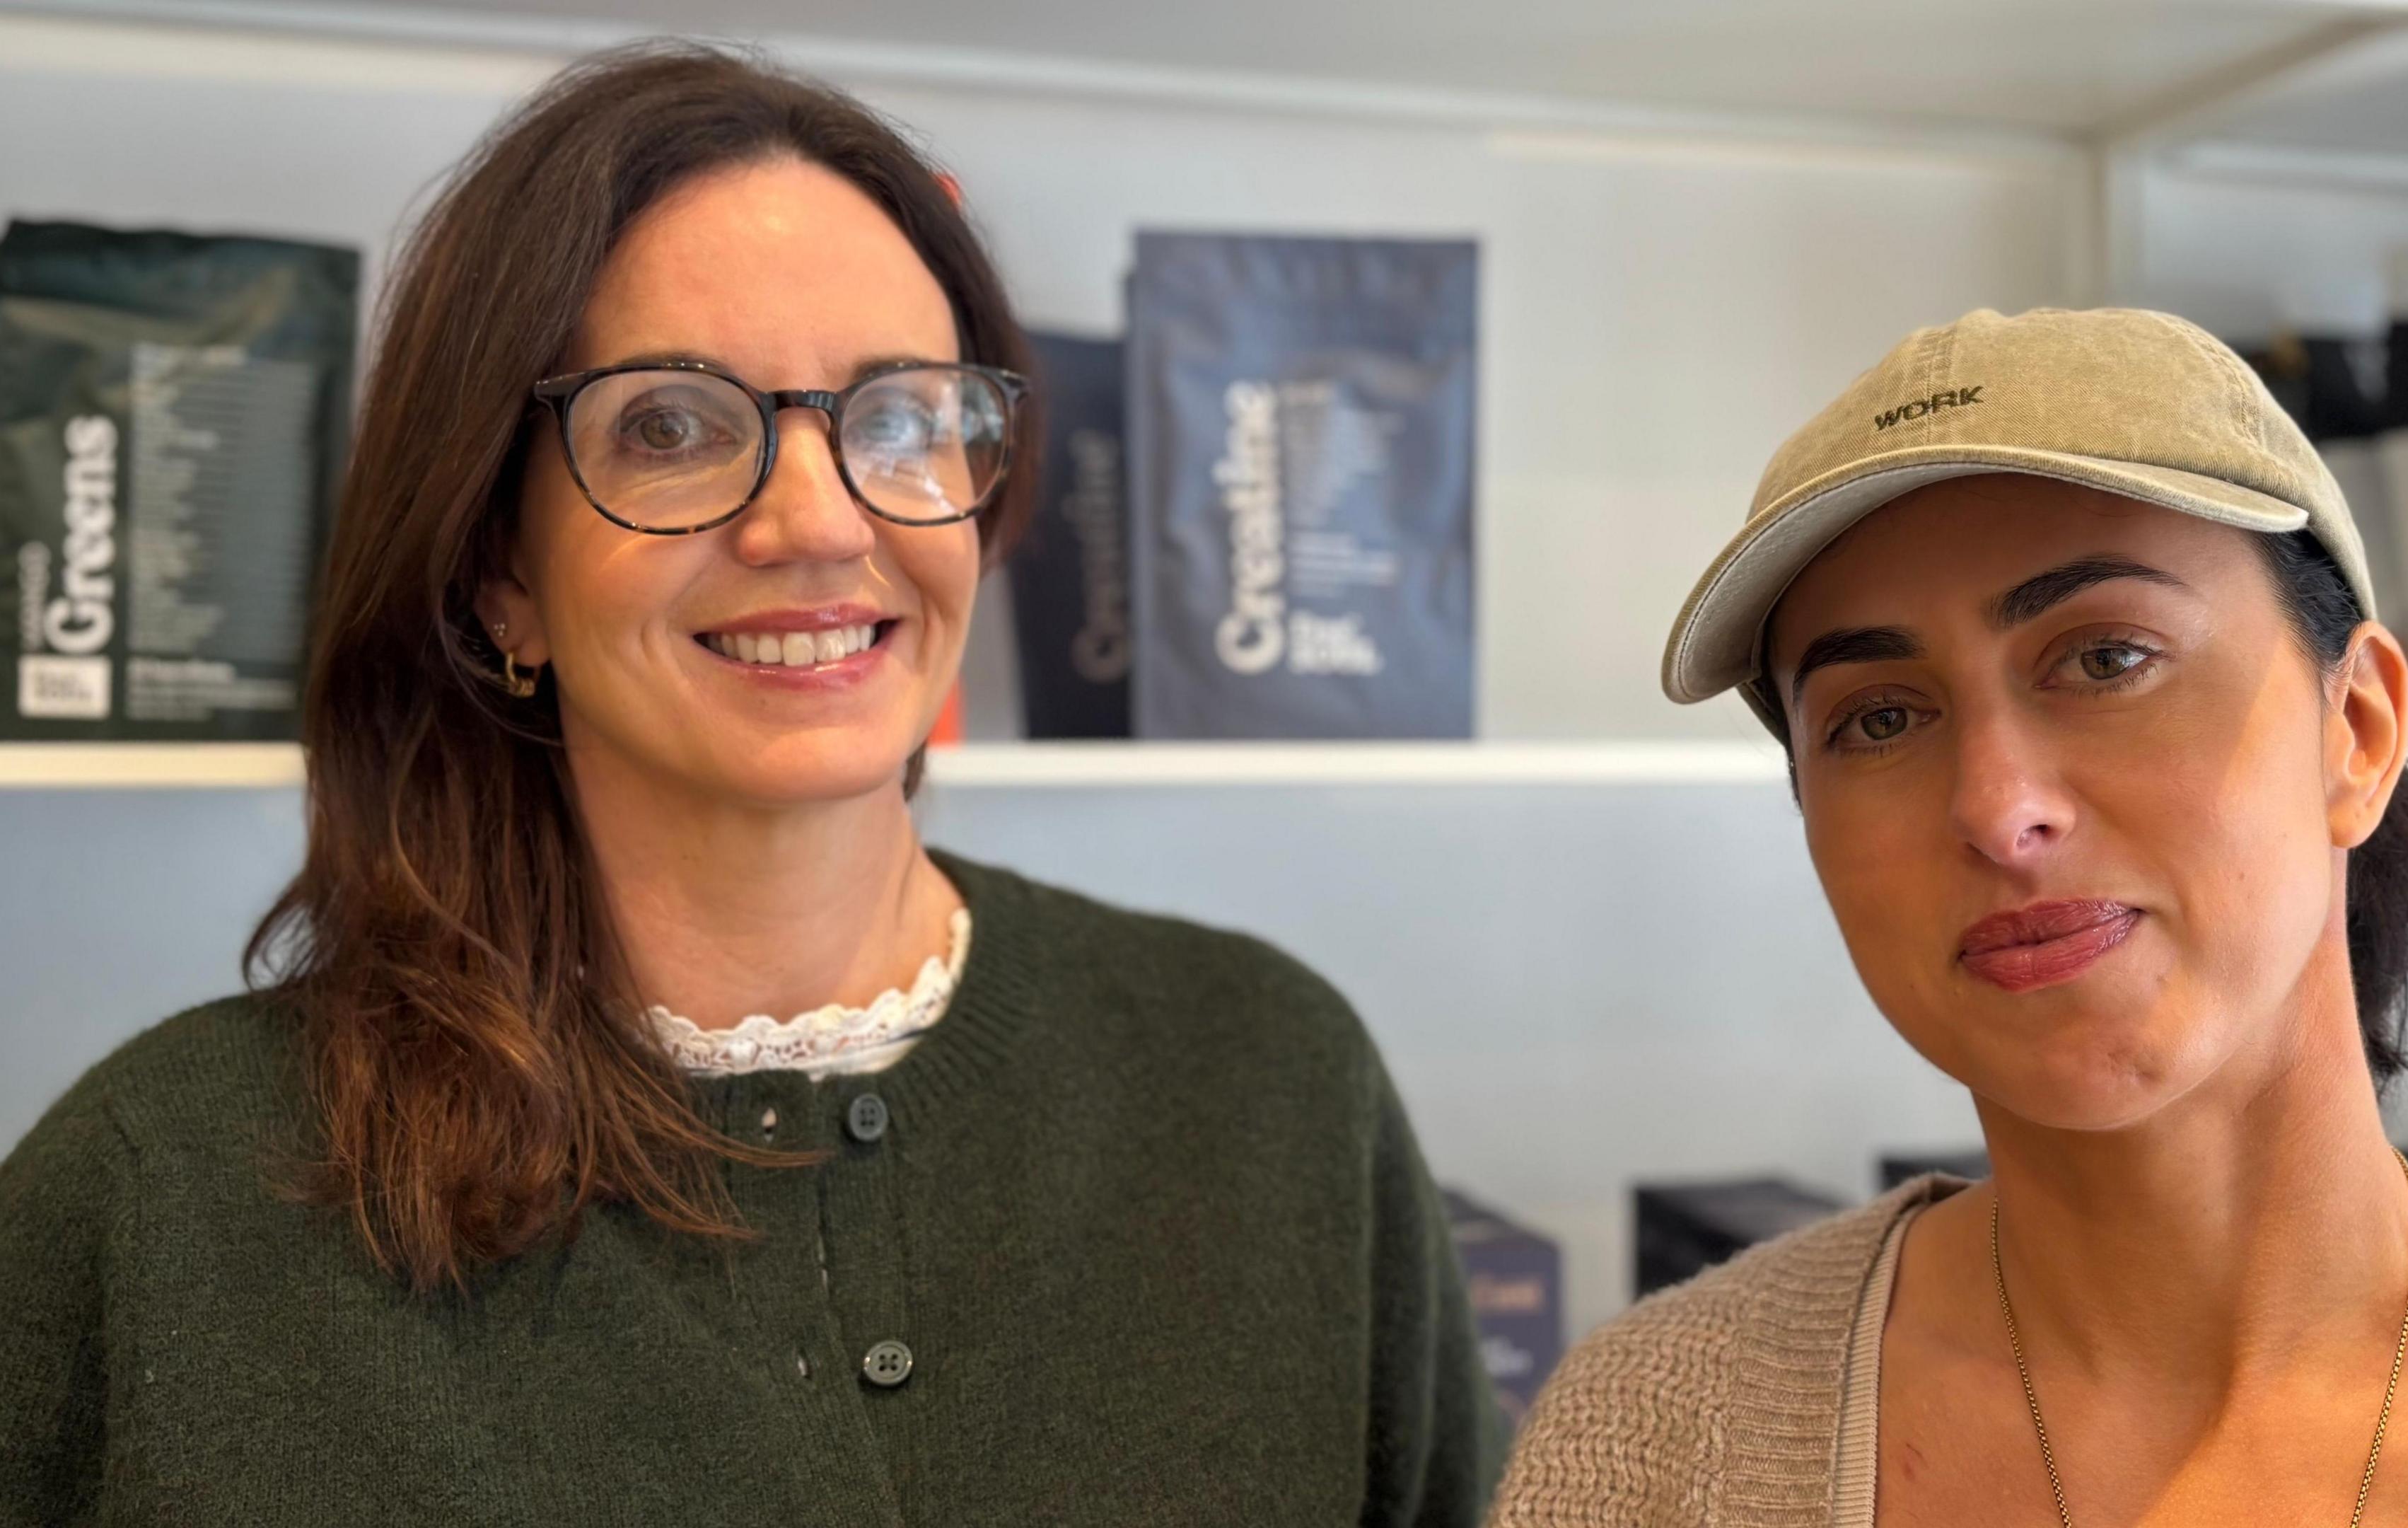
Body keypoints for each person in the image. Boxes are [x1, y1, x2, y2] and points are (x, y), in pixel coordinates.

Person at [0, 43, 1498, 1526]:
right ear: (498, 571)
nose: (820, 523)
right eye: (669, 425)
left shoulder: (1270, 1083)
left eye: (901, 419)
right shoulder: (164, 1191)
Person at [1492, 307, 2408, 1527]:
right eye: (1880, 718)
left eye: (2106, 660)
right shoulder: (1650, 1445)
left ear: (2357, 730)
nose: (1998, 809)